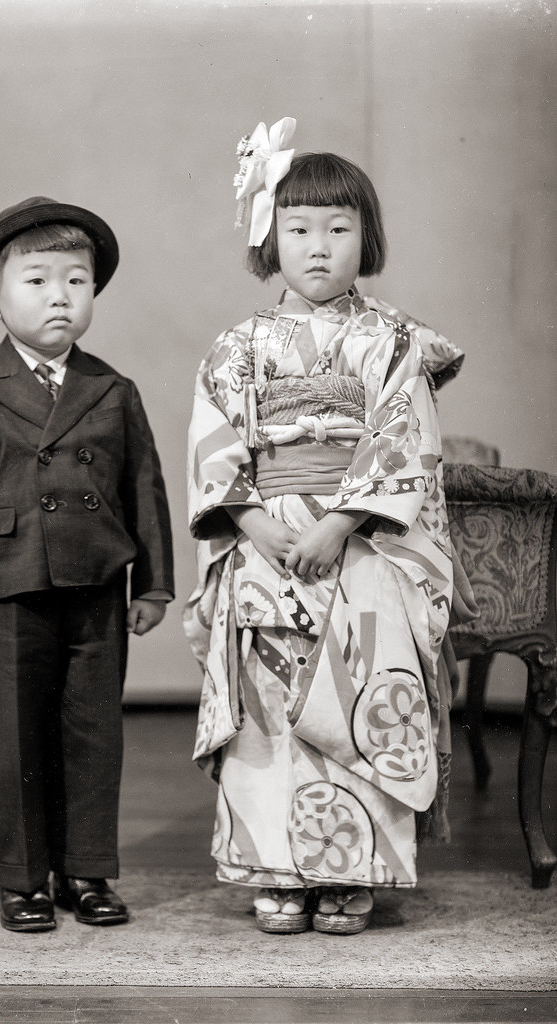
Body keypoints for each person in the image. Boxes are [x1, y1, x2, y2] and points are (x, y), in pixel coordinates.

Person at [184, 119, 473, 935]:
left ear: (365, 238)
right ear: (267, 239)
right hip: (263, 540)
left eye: (338, 229)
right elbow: (215, 444)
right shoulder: (238, 347)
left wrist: (343, 522)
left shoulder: (393, 342)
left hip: (365, 543)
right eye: (298, 228)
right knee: (272, 704)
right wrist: (248, 520)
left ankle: (353, 874)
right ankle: (276, 869)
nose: (318, 247)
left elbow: (404, 441)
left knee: (358, 698)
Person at [0, 196, 174, 932]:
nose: (60, 296)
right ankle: (22, 880)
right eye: (37, 281)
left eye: (77, 280)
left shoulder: (112, 389)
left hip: (96, 586)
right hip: (7, 592)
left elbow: (145, 489)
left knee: (93, 735)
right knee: (11, 740)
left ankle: (88, 872)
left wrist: (154, 582)